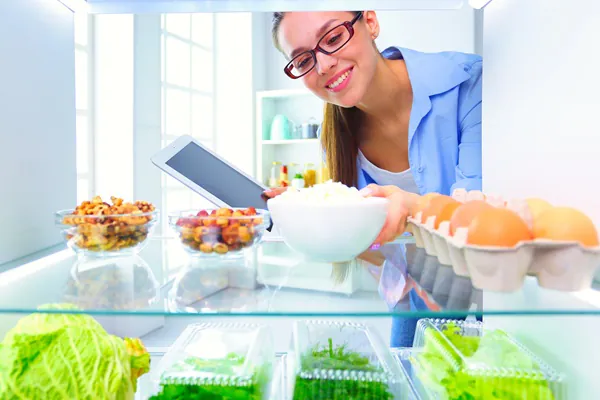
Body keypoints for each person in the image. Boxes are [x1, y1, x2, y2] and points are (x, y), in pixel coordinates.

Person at [264, 10, 482, 347]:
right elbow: (380, 250)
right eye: (304, 60)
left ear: (370, 22)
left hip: (494, 292)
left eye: (333, 38)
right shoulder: (334, 139)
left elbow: (483, 220)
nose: (323, 66)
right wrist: (320, 221)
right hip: (418, 296)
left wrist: (408, 209)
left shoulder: (468, 84)